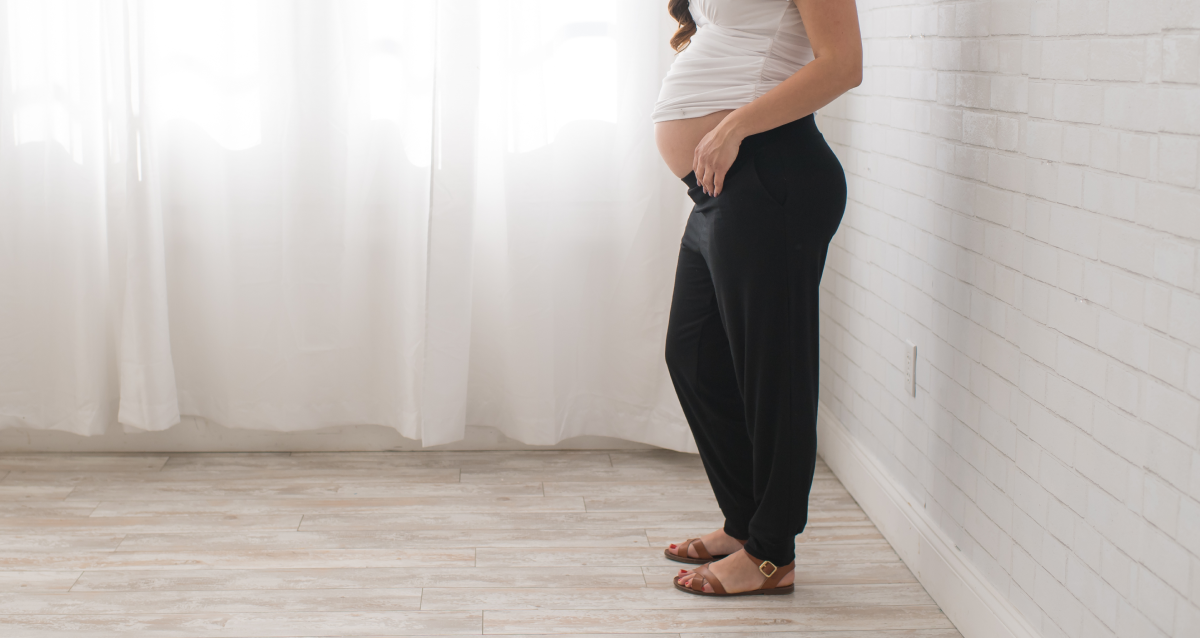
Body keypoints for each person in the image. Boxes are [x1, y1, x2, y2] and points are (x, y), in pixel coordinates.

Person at [654, 0, 862, 597]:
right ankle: (747, 524)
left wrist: (733, 125)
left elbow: (843, 64)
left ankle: (771, 554)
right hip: (721, 186)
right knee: (692, 355)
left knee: (774, 371)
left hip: (772, 171)